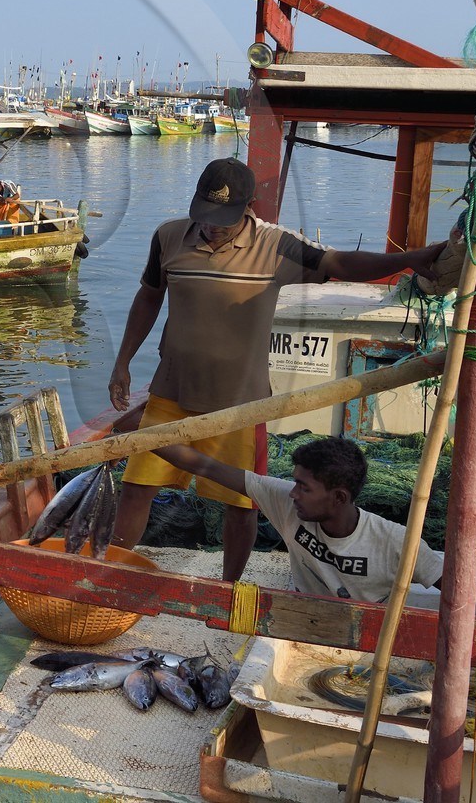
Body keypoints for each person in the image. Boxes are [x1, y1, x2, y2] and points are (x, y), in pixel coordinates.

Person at [108, 157, 448, 581]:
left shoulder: (277, 245)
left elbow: (339, 263)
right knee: (136, 487)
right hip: (170, 393)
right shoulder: (169, 236)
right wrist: (122, 361)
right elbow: (148, 296)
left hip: (241, 403)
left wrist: (408, 259)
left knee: (240, 502)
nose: (213, 227)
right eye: (206, 216)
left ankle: (229, 585)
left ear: (251, 206)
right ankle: (111, 570)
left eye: (225, 220)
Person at [139, 435, 476, 616]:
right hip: (302, 613)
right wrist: (142, 437)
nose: (294, 493)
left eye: (305, 487)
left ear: (340, 497)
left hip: (368, 631)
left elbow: (470, 595)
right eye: (295, 482)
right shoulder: (286, 500)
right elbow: (205, 467)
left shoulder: (396, 542)